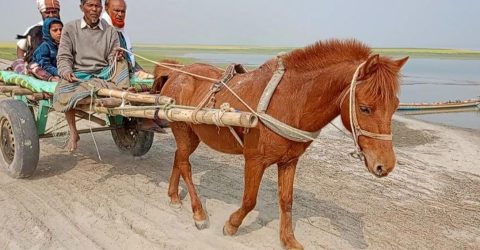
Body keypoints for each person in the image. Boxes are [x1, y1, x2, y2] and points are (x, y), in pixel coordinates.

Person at [54, 0, 123, 151]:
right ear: (82, 8)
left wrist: (116, 58)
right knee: (63, 91)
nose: (94, 9)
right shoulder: (70, 28)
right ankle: (73, 132)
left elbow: (112, 57)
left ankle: (122, 94)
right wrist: (66, 72)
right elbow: (64, 56)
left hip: (103, 74)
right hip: (79, 75)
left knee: (123, 63)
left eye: (97, 6)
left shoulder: (110, 31)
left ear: (101, 8)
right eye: (90, 5)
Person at [102, 0, 152, 78]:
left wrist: (141, 71)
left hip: (127, 73)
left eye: (123, 11)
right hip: (111, 76)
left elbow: (129, 58)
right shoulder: (101, 30)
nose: (120, 14)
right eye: (116, 10)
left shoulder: (120, 31)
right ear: (106, 8)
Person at [12, 0, 61, 73]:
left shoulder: (65, 29)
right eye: (47, 12)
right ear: (41, 13)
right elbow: (20, 48)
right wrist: (21, 64)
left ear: (58, 12)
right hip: (37, 66)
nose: (51, 15)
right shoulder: (34, 29)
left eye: (54, 12)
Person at [30, 18, 63, 82]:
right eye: (55, 30)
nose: (59, 32)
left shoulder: (64, 45)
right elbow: (45, 65)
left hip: (58, 70)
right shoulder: (45, 46)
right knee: (34, 67)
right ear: (47, 32)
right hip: (43, 68)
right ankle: (51, 78)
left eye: (61, 29)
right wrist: (59, 72)